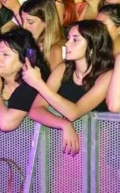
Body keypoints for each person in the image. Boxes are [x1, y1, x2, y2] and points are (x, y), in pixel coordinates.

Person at [24, 20, 114, 154]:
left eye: (75, 40)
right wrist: (63, 124)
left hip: (97, 146)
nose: (67, 44)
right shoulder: (63, 68)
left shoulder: (107, 75)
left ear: (92, 45)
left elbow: (74, 112)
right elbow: (35, 110)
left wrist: (38, 83)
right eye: (69, 38)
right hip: (65, 144)